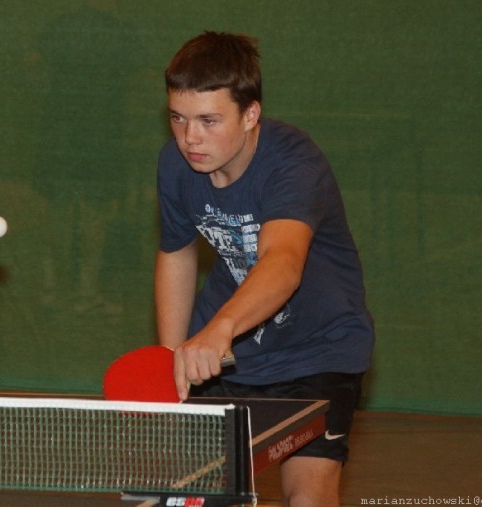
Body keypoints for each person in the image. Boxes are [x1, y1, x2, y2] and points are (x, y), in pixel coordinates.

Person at [154, 31, 374, 507]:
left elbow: (283, 262)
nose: (190, 138)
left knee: (308, 497)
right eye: (178, 118)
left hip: (317, 353)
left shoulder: (294, 164)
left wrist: (220, 329)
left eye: (209, 120)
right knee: (189, 499)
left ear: (250, 114)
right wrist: (170, 356)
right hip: (225, 362)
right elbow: (177, 252)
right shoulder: (175, 166)